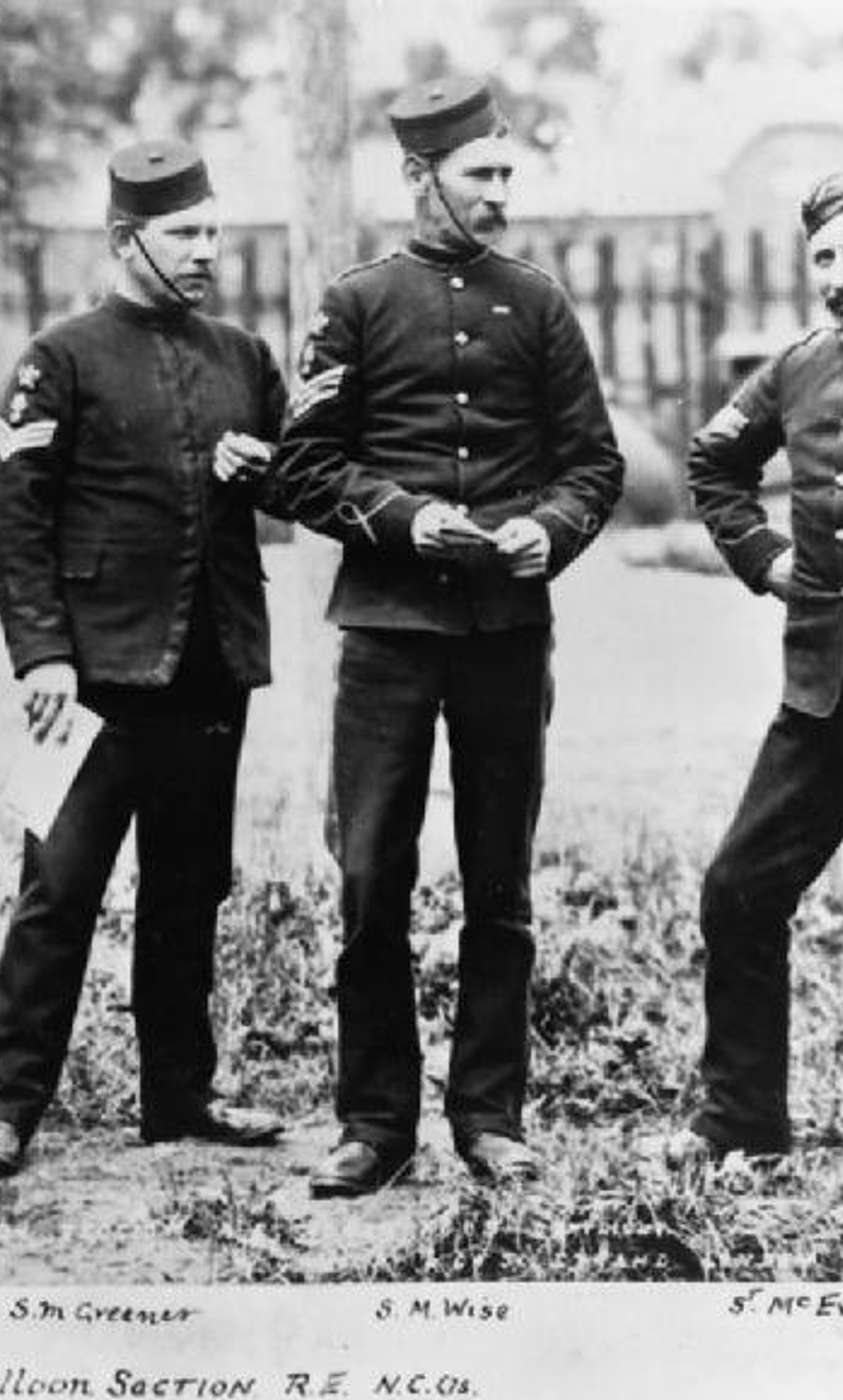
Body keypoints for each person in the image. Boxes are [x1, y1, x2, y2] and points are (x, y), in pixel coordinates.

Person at [265, 76, 623, 1196]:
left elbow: (593, 464)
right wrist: (404, 519)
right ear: (420, 177)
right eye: (482, 175)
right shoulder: (356, 303)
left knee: (498, 878)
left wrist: (546, 530)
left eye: (508, 173)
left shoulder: (539, 304)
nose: (501, 194)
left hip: (505, 632)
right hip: (385, 633)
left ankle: (489, 1116)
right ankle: (374, 1122)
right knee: (371, 873)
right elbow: (304, 467)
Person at [0, 139, 287, 1178]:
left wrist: (266, 469)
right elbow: (7, 514)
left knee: (189, 890)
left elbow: (299, 481)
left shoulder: (244, 357)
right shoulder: (58, 358)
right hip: (85, 685)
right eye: (183, 234)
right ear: (122, 239)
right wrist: (42, 656)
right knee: (55, 889)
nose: (205, 251)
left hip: (208, 672)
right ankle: (5, 1107)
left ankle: (178, 1098)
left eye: (212, 231)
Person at [668, 171, 843, 1170]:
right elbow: (712, 462)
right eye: (824, 257)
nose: (840, 275)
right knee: (738, 889)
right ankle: (742, 1123)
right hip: (827, 692)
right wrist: (765, 559)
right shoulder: (796, 369)